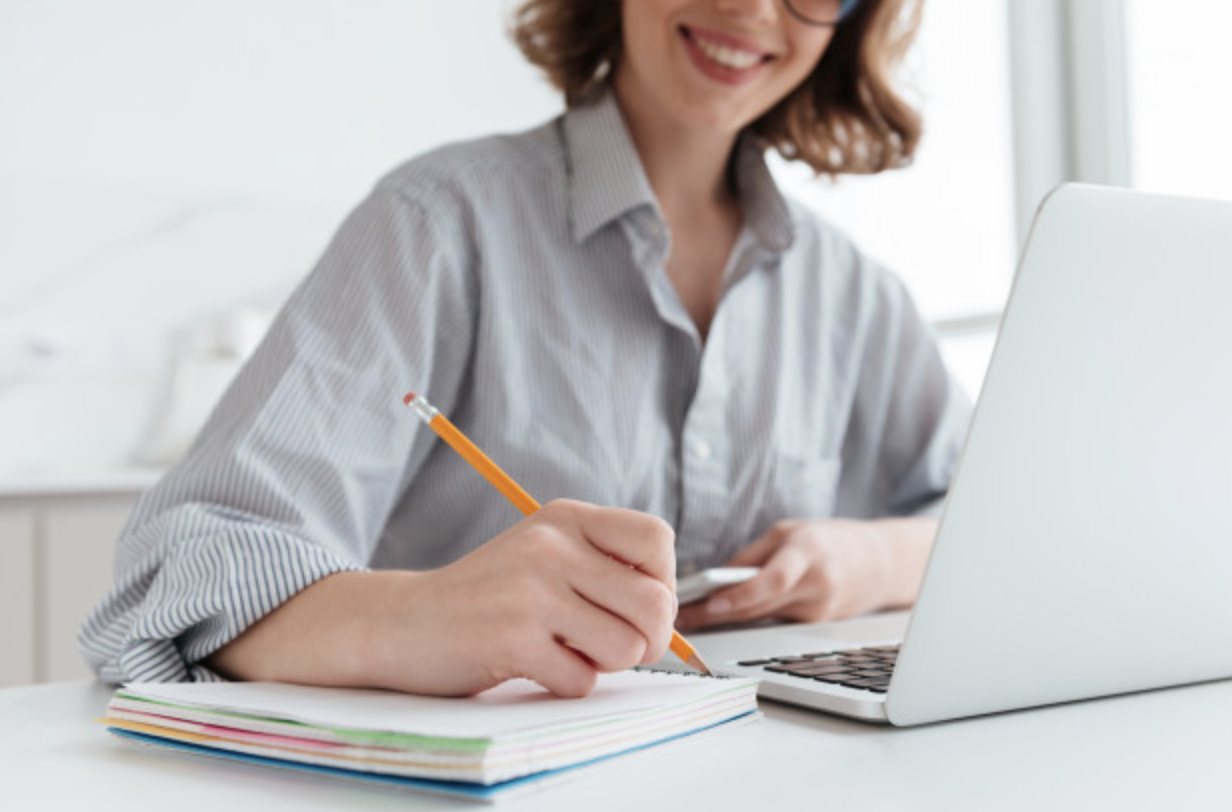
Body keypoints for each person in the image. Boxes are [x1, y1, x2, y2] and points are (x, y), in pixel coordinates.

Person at [80, 0, 971, 699]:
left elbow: (991, 523)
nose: (750, 7)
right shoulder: (438, 220)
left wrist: (869, 560)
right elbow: (178, 572)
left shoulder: (858, 295)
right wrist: (421, 617)